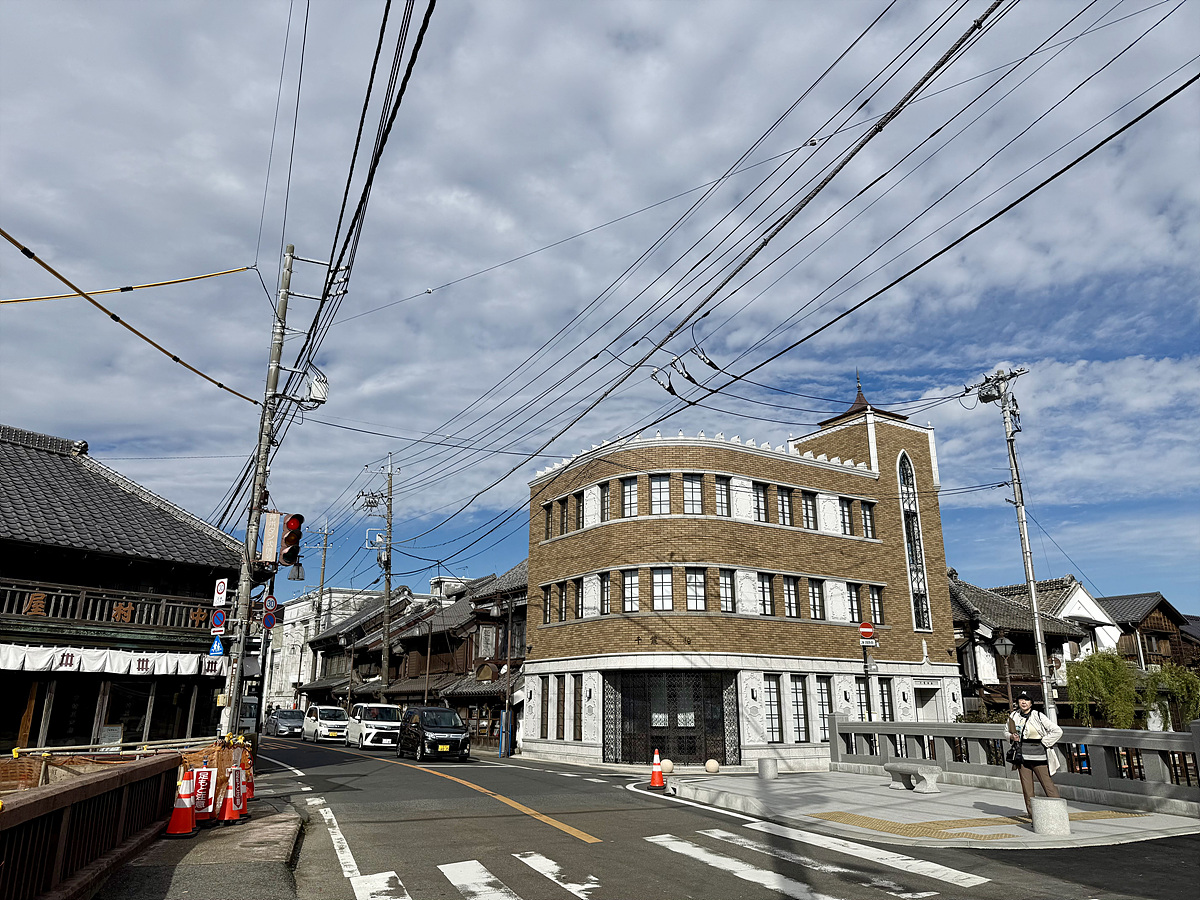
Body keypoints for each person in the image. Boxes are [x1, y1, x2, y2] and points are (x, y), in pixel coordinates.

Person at [1006, 691, 1063, 818]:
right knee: (1027, 789)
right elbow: (1006, 731)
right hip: (1021, 755)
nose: (1023, 702)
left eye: (1026, 700)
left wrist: (1045, 742)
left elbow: (1057, 731)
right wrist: (1011, 736)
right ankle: (1033, 816)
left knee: (1048, 785)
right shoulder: (1014, 716)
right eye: (1021, 700)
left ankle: (1058, 814)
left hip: (1039, 755)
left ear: (1031, 703)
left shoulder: (1038, 715)